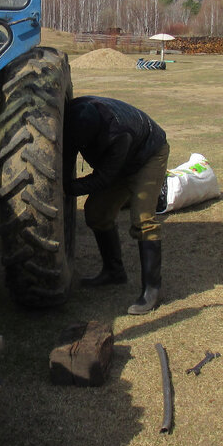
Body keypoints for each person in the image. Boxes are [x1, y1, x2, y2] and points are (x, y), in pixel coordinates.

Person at [64, 96, 170, 315]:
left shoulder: (118, 133)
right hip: (120, 159)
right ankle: (113, 271)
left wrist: (68, 188)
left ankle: (152, 290)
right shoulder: (73, 113)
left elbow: (104, 178)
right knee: (96, 213)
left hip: (148, 155)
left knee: (143, 219)